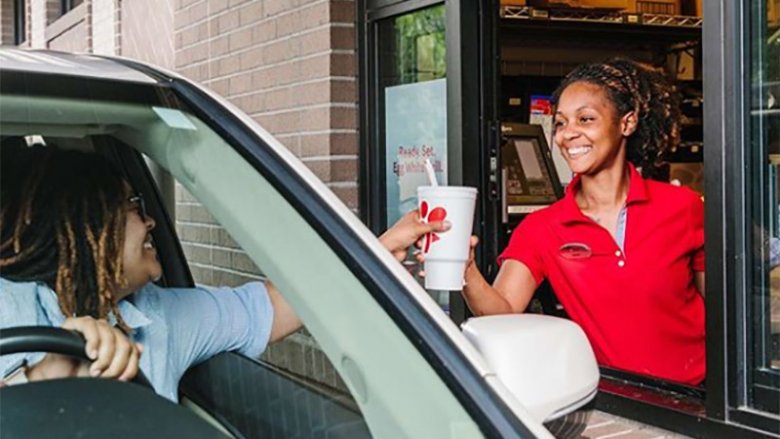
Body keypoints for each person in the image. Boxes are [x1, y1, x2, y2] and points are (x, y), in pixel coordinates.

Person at [0, 144, 447, 399]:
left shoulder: (159, 317)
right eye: (134, 206)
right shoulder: (7, 305)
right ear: (87, 226)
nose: (151, 220)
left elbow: (270, 307)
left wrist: (382, 250)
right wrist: (41, 378)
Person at [460, 58, 706, 385]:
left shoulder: (682, 206)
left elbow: (722, 311)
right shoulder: (542, 228)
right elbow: (501, 312)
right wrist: (465, 270)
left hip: (700, 399)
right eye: (560, 123)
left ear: (627, 123)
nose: (568, 134)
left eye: (586, 119)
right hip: (615, 402)